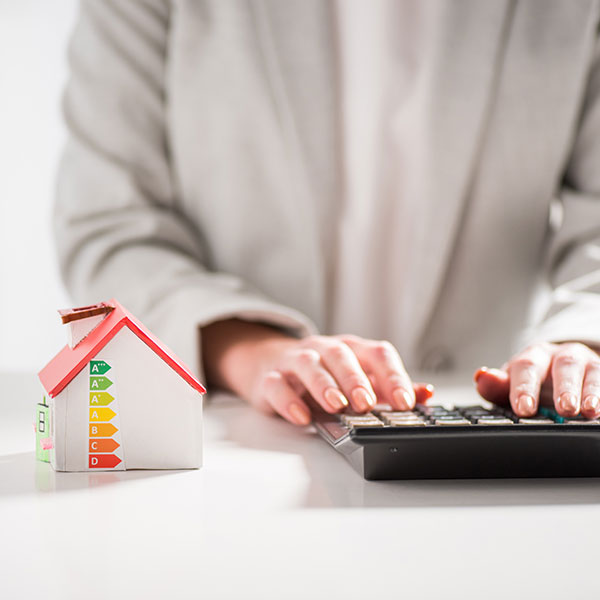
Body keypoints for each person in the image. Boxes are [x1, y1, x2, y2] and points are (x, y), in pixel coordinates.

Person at [55, 0, 600, 426]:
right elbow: (111, 227)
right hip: (237, 445)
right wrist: (250, 348)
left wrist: (583, 341)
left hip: (486, 463)